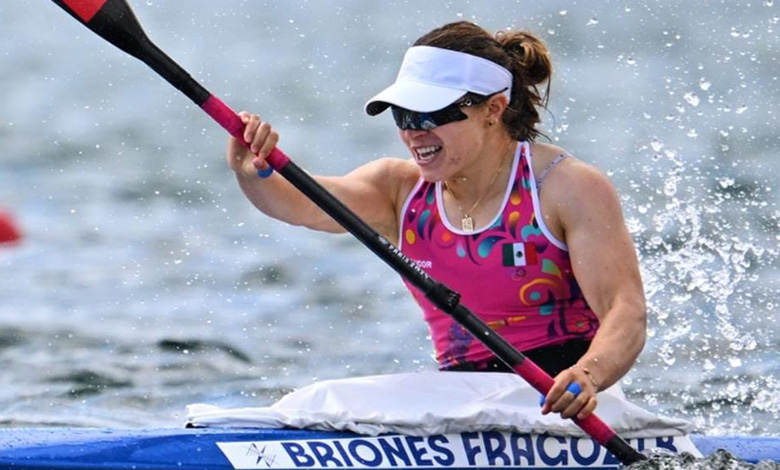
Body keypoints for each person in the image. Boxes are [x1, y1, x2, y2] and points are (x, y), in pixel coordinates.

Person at [226, 21, 646, 421]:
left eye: (430, 116)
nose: (414, 134)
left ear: (493, 109)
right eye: (403, 117)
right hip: (459, 399)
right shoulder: (398, 189)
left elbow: (624, 311)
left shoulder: (566, 186)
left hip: (565, 402)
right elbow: (302, 204)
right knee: (318, 400)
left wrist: (587, 376)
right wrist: (253, 172)